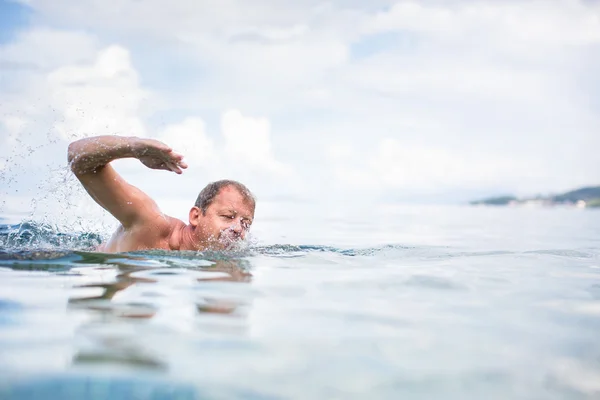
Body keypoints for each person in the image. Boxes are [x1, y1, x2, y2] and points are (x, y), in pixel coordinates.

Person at [67, 135, 256, 253]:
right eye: (228, 216)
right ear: (196, 216)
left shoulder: (221, 259)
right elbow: (78, 158)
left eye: (245, 223)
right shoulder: (149, 222)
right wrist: (132, 147)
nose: (238, 229)